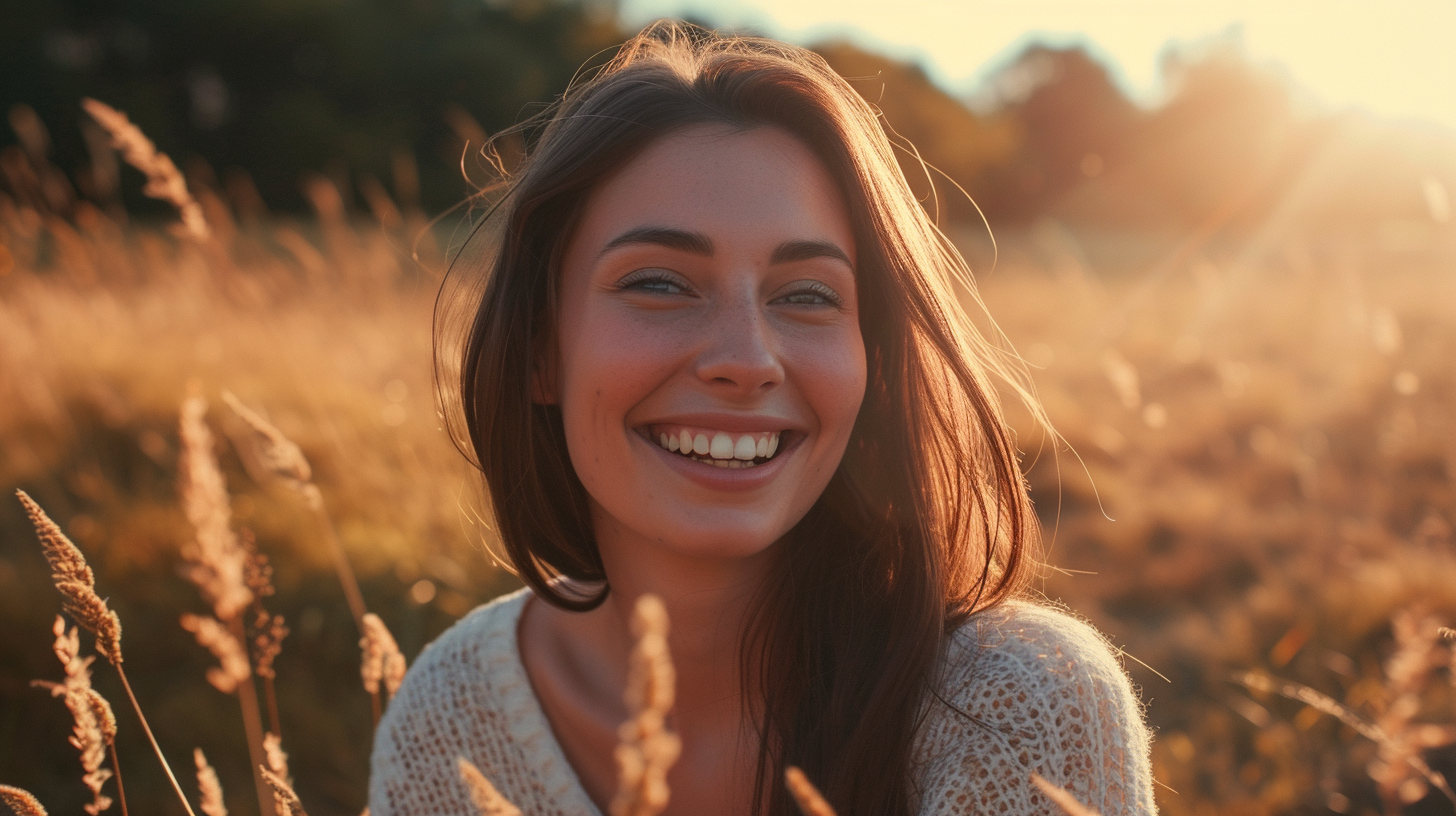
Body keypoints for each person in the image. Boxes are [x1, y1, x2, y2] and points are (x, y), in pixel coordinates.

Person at [370, 22, 1156, 816]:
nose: (746, 359)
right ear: (542, 349)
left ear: (872, 364)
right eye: (659, 284)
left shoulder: (1022, 710)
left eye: (807, 294)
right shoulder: (450, 717)